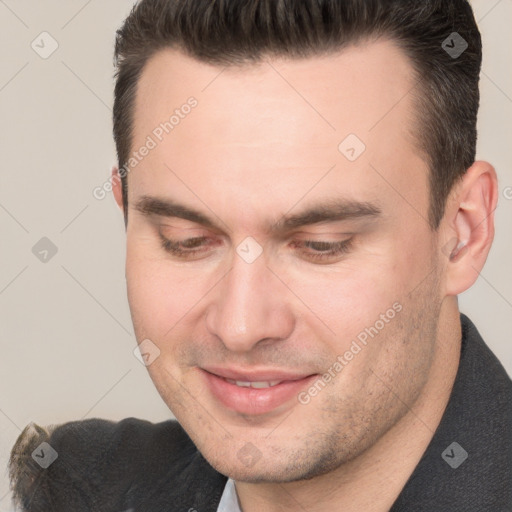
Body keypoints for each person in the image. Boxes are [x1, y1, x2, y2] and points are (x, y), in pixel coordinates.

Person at [8, 0, 511, 510]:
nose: (240, 327)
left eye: (321, 245)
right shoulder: (76, 489)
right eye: (185, 239)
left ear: (463, 233)